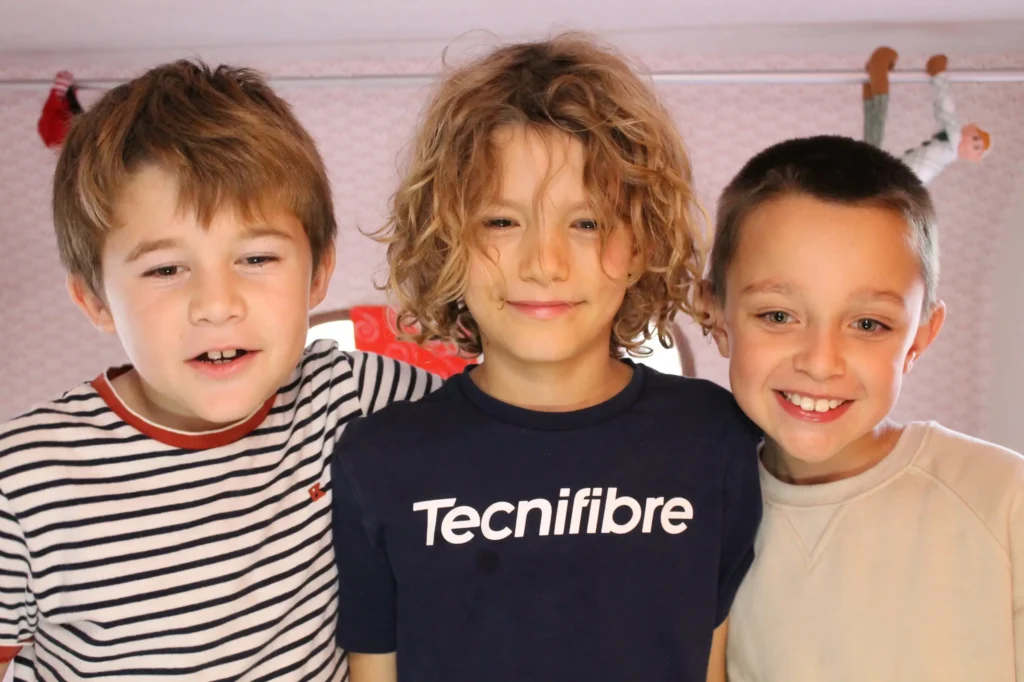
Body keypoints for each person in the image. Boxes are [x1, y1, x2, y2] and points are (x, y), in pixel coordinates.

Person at [331, 33, 763, 682]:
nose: (544, 263)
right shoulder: (379, 459)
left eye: (587, 223)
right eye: (501, 222)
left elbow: (714, 663)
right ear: (447, 242)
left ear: (642, 245)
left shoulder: (713, 435)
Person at [0, 60, 440, 681]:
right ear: (95, 300)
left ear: (318, 273)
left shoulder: (350, 396)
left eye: (256, 258)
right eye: (165, 269)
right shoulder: (24, 480)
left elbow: (505, 419)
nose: (216, 304)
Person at [700, 134, 1023, 681]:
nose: (820, 362)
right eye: (778, 316)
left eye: (868, 324)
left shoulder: (1003, 499)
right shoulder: (701, 521)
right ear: (714, 313)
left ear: (920, 338)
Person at [863, 46, 990, 184]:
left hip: (901, 182)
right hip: (902, 182)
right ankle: (873, 80)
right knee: (872, 151)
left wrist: (938, 74)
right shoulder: (950, 143)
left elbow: (946, 110)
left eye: (976, 148)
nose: (969, 145)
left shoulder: (954, 142)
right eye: (975, 138)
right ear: (970, 128)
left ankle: (877, 72)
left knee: (873, 152)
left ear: (972, 158)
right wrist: (938, 75)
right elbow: (944, 110)